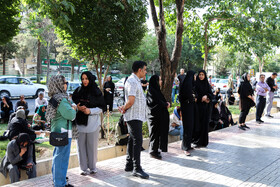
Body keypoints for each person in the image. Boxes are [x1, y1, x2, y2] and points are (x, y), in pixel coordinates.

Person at [119, 61, 149, 179]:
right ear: (140, 70)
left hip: (137, 116)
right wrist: (124, 108)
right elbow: (131, 101)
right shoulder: (132, 81)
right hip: (134, 116)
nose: (146, 72)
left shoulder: (136, 81)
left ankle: (129, 164)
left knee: (132, 139)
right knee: (138, 140)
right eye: (145, 69)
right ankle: (137, 168)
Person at [72, 71, 105, 176]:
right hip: (80, 123)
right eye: (82, 79)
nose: (84, 81)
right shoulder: (78, 90)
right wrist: (78, 107)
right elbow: (73, 102)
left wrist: (90, 111)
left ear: (90, 79)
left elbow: (101, 107)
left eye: (86, 78)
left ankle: (92, 167)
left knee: (92, 146)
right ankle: (83, 168)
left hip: (93, 123)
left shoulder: (96, 91)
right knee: (80, 147)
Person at [46, 75, 76, 187]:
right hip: (63, 132)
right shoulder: (61, 99)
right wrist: (73, 108)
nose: (66, 84)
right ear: (59, 84)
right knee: (61, 160)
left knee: (57, 158)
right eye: (65, 82)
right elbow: (71, 115)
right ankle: (60, 184)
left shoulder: (55, 97)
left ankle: (58, 182)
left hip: (57, 131)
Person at [146, 75, 170, 159]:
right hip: (154, 118)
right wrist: (165, 104)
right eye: (159, 80)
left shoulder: (156, 91)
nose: (161, 81)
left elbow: (160, 101)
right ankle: (152, 151)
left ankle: (155, 150)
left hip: (158, 117)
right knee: (154, 134)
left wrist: (165, 104)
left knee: (157, 134)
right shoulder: (151, 92)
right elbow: (155, 104)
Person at [192, 70, 213, 148]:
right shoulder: (195, 84)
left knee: (204, 124)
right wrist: (201, 98)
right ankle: (196, 141)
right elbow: (195, 95)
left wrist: (207, 97)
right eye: (200, 74)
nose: (201, 76)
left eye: (202, 75)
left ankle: (203, 142)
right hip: (197, 108)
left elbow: (211, 94)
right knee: (198, 124)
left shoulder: (207, 84)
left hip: (205, 108)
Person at [179, 70, 196, 156]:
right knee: (187, 127)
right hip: (186, 109)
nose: (195, 78)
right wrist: (192, 97)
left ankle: (188, 145)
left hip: (190, 108)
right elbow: (184, 97)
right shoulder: (186, 85)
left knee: (190, 127)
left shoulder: (190, 84)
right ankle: (185, 147)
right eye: (194, 76)